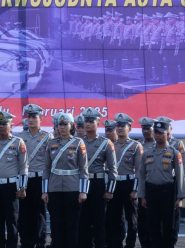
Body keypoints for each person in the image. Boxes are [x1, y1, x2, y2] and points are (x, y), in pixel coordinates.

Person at [42, 112, 88, 248]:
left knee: (72, 223)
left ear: (71, 126)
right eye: (60, 125)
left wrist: (83, 191)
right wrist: (45, 191)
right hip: (55, 188)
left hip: (72, 188)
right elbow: (46, 168)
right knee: (57, 223)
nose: (62, 127)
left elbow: (83, 168)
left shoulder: (79, 143)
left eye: (65, 124)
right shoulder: (51, 143)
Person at [0, 111, 28, 248]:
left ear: (11, 126)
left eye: (4, 124)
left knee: (12, 220)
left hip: (11, 187)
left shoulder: (18, 142)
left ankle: (12, 245)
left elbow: (23, 167)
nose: (1, 127)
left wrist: (22, 188)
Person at [139, 117, 185, 248]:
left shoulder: (174, 153)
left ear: (168, 134)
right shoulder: (147, 153)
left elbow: (181, 176)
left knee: (168, 225)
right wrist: (142, 196)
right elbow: (142, 175)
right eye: (156, 132)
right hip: (151, 193)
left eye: (161, 132)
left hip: (168, 193)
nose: (158, 135)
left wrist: (180, 198)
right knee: (153, 225)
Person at [78, 109, 117, 248]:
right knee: (83, 220)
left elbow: (112, 168)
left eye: (91, 121)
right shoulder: (78, 142)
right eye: (85, 121)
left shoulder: (106, 143)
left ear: (98, 123)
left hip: (98, 184)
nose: (87, 124)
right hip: (82, 184)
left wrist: (110, 190)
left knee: (99, 220)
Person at [106, 113, 144, 248]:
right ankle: (117, 244)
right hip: (114, 184)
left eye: (123, 126)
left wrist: (135, 190)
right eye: (118, 125)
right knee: (115, 217)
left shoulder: (136, 145)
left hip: (129, 184)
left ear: (130, 129)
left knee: (131, 218)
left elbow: (139, 170)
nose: (120, 128)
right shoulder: (110, 145)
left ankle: (130, 244)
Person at [18, 104, 52, 248]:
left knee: (39, 214)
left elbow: (51, 160)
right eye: (29, 117)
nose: (30, 120)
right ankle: (26, 242)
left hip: (40, 179)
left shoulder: (47, 137)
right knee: (24, 213)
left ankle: (40, 242)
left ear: (41, 118)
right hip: (25, 179)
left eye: (34, 117)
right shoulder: (19, 137)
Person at [136, 116, 156, 248]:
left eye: (148, 128)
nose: (146, 131)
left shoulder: (161, 144)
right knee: (141, 220)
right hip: (141, 186)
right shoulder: (138, 145)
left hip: (156, 186)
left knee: (155, 219)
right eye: (143, 128)